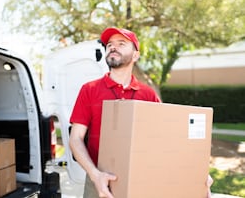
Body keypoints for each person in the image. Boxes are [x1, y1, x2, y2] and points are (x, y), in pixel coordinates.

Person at [69, 27, 213, 198]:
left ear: (135, 55)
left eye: (121, 44)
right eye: (109, 45)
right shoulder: (89, 90)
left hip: (139, 179)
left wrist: (196, 173)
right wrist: (95, 175)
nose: (113, 47)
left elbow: (167, 140)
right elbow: (75, 138)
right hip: (99, 181)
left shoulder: (148, 94)